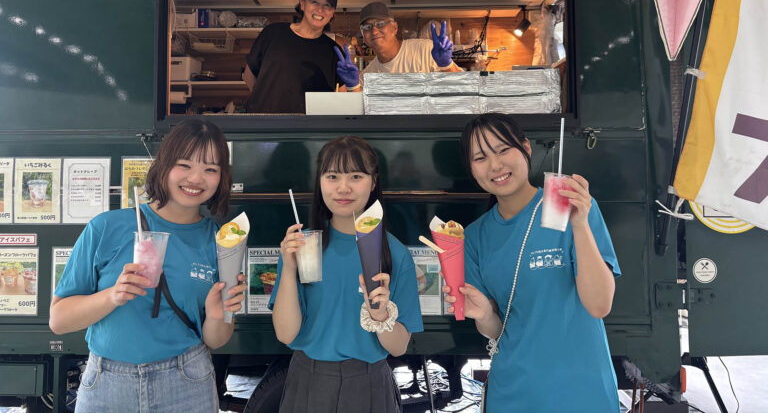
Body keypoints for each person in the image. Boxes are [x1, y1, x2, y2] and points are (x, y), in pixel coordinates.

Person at [50, 119, 246, 413]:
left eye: (210, 169)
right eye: (184, 165)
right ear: (164, 165)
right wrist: (113, 295)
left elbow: (216, 340)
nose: (196, 178)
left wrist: (219, 315)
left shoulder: (220, 241)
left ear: (222, 177)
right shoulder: (106, 227)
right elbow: (59, 320)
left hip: (187, 381)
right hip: (107, 383)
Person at [443, 113, 621, 413]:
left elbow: (599, 305)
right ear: (471, 169)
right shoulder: (474, 237)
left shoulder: (571, 207)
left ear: (525, 147)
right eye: (481, 157)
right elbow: (494, 329)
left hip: (583, 392)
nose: (495, 165)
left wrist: (579, 224)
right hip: (512, 393)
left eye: (503, 149)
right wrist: (484, 314)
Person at [270, 136, 423, 413]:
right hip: (307, 380)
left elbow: (399, 347)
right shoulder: (302, 247)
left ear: (373, 183)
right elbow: (285, 333)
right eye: (332, 176)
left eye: (356, 176)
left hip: (370, 383)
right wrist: (290, 268)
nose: (343, 188)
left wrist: (381, 316)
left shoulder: (394, 254)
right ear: (320, 182)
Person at [244, 0, 356, 113]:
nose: (320, 10)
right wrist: (262, 104)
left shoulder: (334, 51)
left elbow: (344, 99)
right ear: (302, 4)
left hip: (309, 125)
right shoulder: (273, 33)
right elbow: (248, 75)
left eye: (327, 5)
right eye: (314, 2)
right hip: (265, 122)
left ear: (332, 13)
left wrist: (353, 86)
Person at [333, 2, 462, 89]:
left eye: (380, 24)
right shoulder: (367, 75)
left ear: (394, 28)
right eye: (367, 27)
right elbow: (361, 113)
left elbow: (462, 87)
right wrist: (353, 86)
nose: (374, 31)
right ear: (363, 36)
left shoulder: (426, 50)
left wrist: (446, 66)